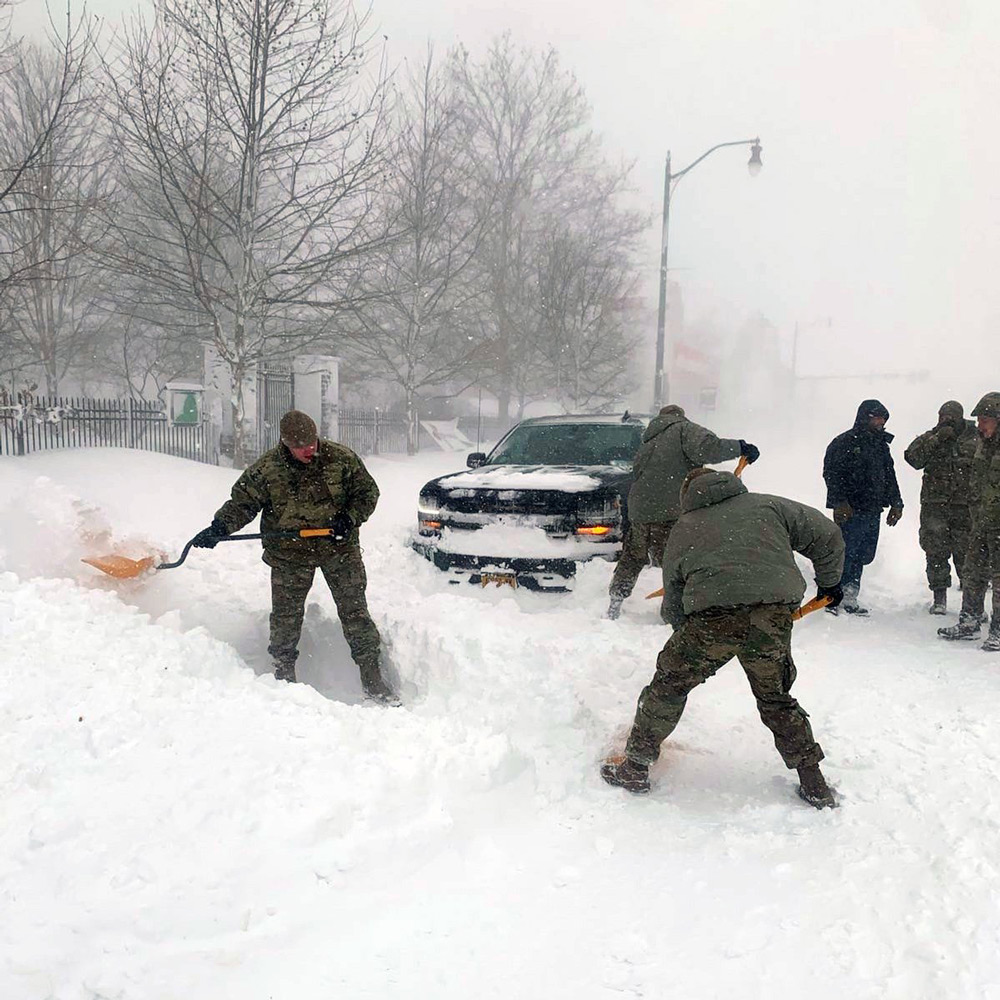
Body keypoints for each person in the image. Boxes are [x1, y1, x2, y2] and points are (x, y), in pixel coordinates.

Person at [601, 467, 845, 809]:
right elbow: (828, 535)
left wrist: (683, 634)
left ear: (688, 494)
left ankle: (636, 767)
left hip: (712, 620)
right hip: (771, 616)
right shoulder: (770, 506)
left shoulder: (685, 527)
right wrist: (830, 581)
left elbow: (673, 593)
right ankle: (814, 783)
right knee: (776, 698)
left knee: (669, 686)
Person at [190, 409, 397, 702]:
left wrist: (349, 518)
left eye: (312, 442)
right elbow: (243, 503)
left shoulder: (341, 459)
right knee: (286, 616)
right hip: (290, 554)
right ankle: (283, 673)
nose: (309, 449)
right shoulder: (268, 469)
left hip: (338, 548)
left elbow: (368, 493)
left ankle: (372, 676)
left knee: (354, 610)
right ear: (285, 443)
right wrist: (219, 527)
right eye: (301, 446)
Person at [607, 404, 759, 619]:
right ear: (680, 416)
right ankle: (672, 613)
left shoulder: (648, 441)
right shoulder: (683, 429)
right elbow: (708, 447)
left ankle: (616, 600)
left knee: (633, 556)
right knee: (676, 562)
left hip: (640, 510)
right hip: (670, 510)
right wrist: (741, 447)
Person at [822, 399, 904, 614]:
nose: (881, 422)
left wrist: (896, 503)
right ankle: (832, 596)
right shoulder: (844, 442)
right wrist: (839, 502)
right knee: (844, 553)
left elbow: (889, 476)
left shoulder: (880, 446)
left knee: (863, 554)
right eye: (877, 417)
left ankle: (850, 594)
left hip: (872, 509)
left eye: (883, 418)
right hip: (850, 510)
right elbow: (832, 474)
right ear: (865, 417)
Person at [938, 392, 1000, 651]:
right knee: (973, 573)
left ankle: (997, 631)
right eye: (980, 420)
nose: (981, 425)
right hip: (981, 523)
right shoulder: (983, 446)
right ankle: (970, 621)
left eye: (986, 420)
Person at [903, 401, 978, 614]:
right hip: (934, 506)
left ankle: (971, 602)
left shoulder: (976, 438)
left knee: (967, 553)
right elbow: (913, 458)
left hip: (965, 508)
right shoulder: (931, 437)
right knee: (935, 551)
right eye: (942, 416)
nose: (946, 421)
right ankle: (939, 598)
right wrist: (937, 438)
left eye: (950, 417)